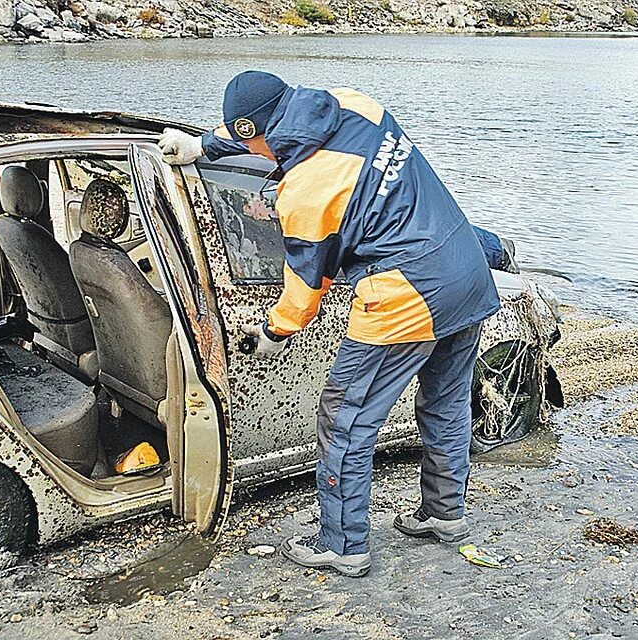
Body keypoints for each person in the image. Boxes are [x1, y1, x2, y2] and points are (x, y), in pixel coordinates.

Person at [158, 71, 500, 577]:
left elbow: (304, 287)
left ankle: (342, 545)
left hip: (405, 293)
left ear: (256, 133)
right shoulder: (352, 103)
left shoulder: (307, 191)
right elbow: (275, 132)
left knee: (344, 419)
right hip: (465, 269)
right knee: (446, 402)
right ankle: (444, 514)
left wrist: (274, 333)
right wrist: (204, 146)